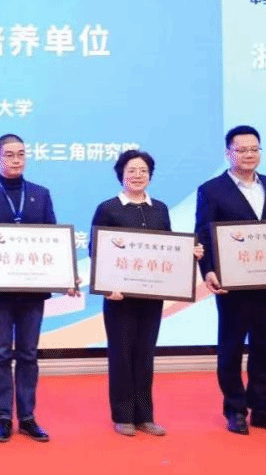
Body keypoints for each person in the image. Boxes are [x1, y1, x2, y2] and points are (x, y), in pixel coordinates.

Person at [90, 150, 203, 437]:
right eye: (131, 170)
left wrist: (189, 253)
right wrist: (107, 286)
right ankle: (123, 415)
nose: (137, 175)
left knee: (145, 355)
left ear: (150, 175)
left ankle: (145, 416)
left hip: (152, 297)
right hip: (119, 298)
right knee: (121, 355)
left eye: (143, 170)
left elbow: (168, 249)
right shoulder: (108, 208)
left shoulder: (160, 209)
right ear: (121, 174)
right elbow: (96, 251)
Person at [194, 125, 266, 435]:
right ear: (228, 153)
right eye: (242, 150)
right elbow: (203, 232)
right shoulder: (212, 189)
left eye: (254, 149)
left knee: (264, 346)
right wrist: (208, 269)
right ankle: (235, 409)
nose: (249, 154)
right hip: (232, 282)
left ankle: (263, 409)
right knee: (231, 346)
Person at [0, 133, 61, 443]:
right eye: (9, 154)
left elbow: (53, 240)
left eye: (21, 154)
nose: (16, 159)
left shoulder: (41, 194)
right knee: (2, 354)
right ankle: (4, 417)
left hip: (33, 292)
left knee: (29, 354)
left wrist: (62, 274)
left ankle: (28, 417)